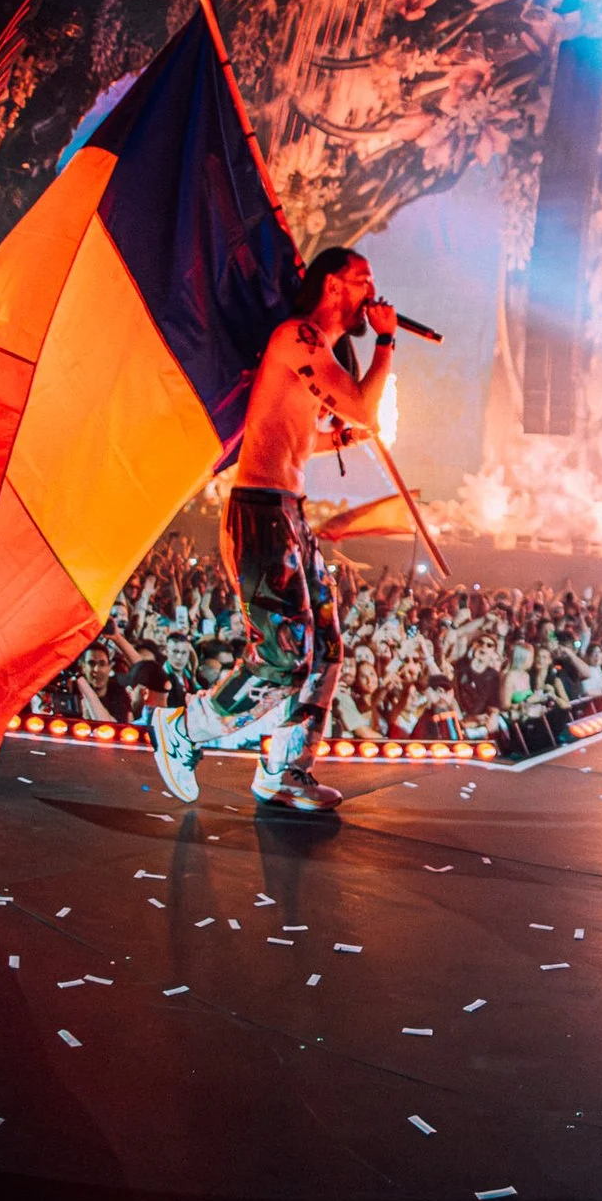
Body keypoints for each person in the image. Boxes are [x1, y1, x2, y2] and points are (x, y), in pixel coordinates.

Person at [150, 247, 397, 812]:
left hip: (290, 511)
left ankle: (285, 769)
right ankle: (186, 727)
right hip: (261, 513)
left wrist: (343, 440)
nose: (373, 296)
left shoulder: (317, 353)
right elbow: (360, 405)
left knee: (327, 649)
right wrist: (385, 342)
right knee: (283, 657)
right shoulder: (297, 337)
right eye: (365, 281)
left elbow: (303, 438)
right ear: (334, 285)